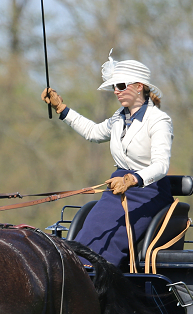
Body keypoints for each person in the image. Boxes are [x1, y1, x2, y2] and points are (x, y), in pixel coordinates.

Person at [41, 50, 174, 270]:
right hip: (117, 188)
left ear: (139, 86)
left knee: (112, 239)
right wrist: (61, 108)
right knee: (91, 232)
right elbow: (93, 132)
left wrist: (132, 179)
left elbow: (161, 165)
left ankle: (99, 280)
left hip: (148, 191)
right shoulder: (119, 117)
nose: (116, 91)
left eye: (121, 85)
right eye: (114, 87)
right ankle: (79, 273)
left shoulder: (159, 120)